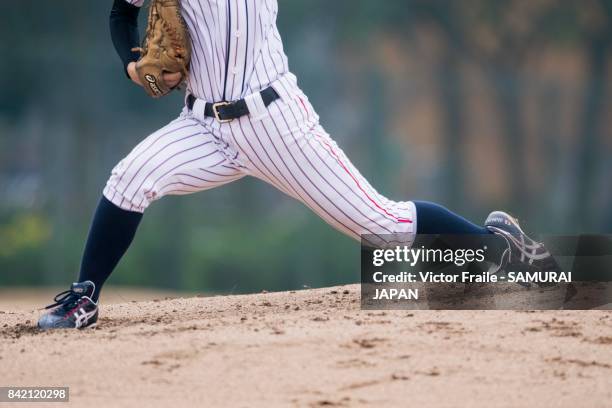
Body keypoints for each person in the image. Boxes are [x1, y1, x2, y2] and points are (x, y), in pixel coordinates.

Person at [38, 0, 557, 329]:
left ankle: (499, 248)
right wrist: (131, 62)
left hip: (275, 124)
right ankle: (84, 298)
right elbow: (119, 11)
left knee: (385, 225)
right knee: (131, 177)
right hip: (200, 125)